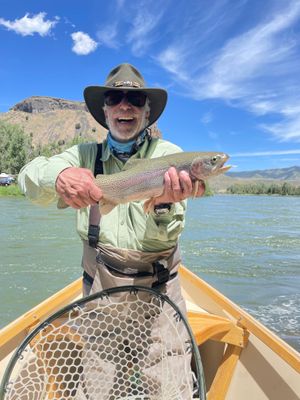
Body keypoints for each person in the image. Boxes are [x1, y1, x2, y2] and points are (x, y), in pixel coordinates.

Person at [18, 63, 205, 398]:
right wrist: (58, 178)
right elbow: (27, 177)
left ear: (147, 113)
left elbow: (162, 238)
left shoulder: (169, 157)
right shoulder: (82, 156)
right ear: (104, 111)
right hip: (100, 292)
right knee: (95, 390)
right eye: (115, 97)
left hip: (160, 298)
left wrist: (161, 203)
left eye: (135, 100)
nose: (125, 106)